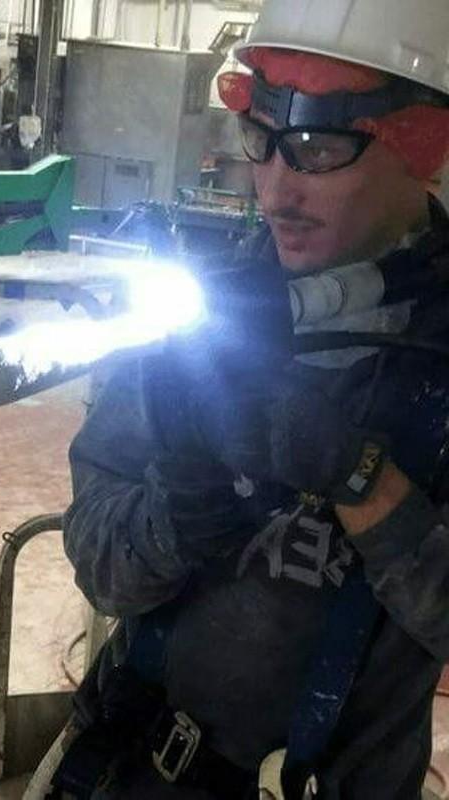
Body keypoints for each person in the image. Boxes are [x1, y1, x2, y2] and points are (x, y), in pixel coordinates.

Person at [58, 1, 449, 798]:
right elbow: (101, 571)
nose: (274, 188)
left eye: (315, 146)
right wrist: (183, 511)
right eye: (261, 139)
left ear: (423, 141)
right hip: (137, 762)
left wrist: (360, 478)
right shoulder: (207, 310)